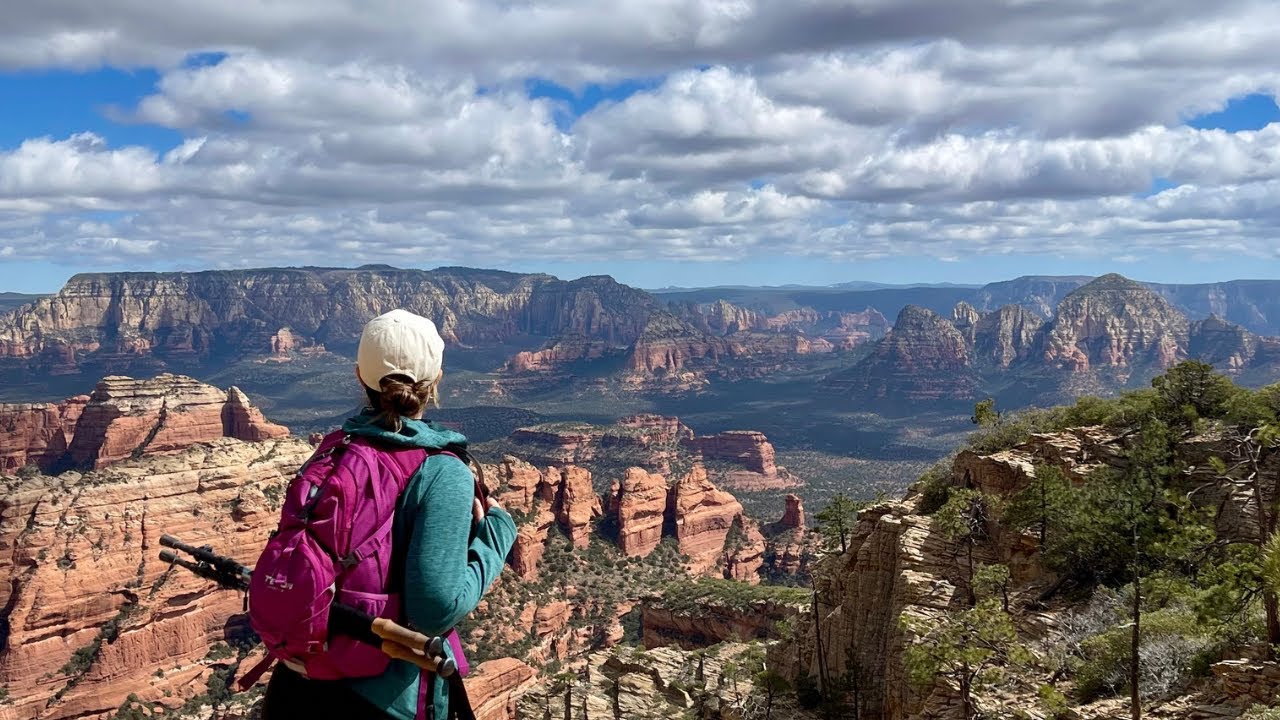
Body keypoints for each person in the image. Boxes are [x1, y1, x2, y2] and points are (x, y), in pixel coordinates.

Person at [262, 308, 517, 720]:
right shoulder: (442, 471)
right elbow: (434, 610)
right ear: (436, 380)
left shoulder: (332, 450)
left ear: (359, 376)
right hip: (380, 698)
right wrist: (497, 537)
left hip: (295, 683)